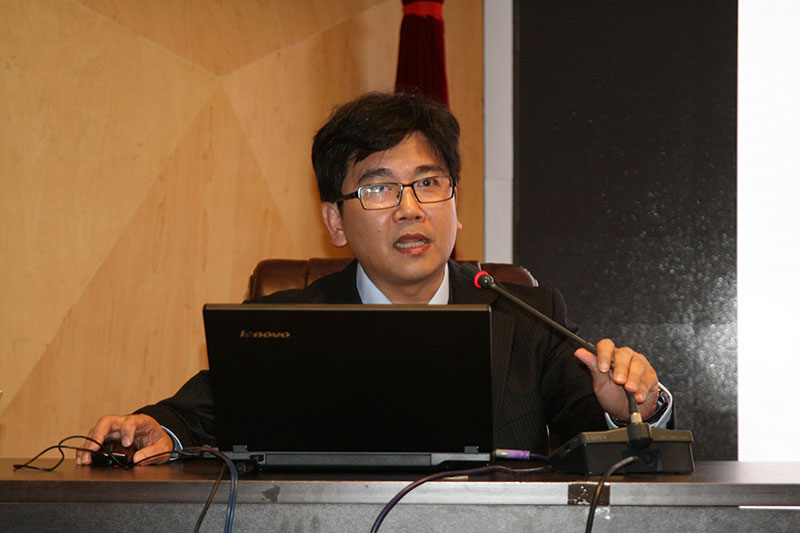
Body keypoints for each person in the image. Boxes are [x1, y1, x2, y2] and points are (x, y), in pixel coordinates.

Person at [77, 92, 670, 466]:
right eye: (379, 188)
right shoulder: (288, 324)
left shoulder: (528, 316)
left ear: (456, 206)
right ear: (335, 221)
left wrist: (629, 410)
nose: (410, 209)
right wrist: (154, 428)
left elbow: (600, 445)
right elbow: (199, 413)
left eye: (429, 183)